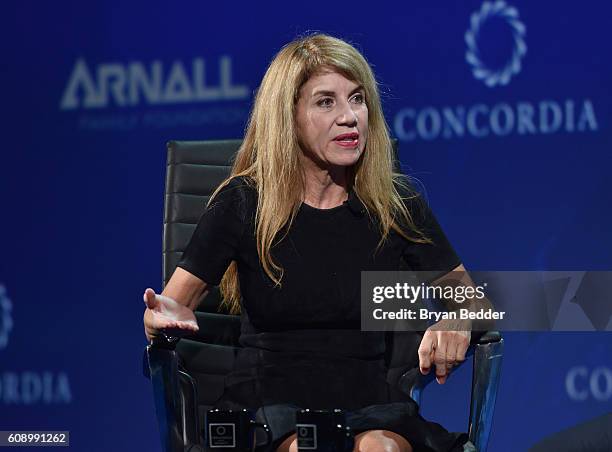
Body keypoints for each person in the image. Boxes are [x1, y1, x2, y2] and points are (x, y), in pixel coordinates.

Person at [143, 34, 486, 452]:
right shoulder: (244, 202)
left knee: (382, 449)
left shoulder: (394, 205)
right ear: (288, 117)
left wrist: (458, 319)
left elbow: (471, 301)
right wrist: (159, 320)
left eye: (357, 99)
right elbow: (172, 306)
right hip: (268, 400)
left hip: (368, 399)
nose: (349, 117)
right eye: (326, 102)